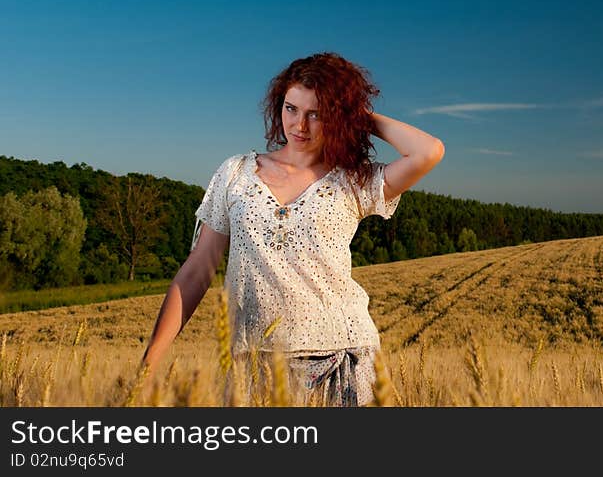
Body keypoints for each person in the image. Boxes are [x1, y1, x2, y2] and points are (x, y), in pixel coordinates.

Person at [141, 52, 444, 406]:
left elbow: (428, 152)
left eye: (316, 114)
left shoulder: (354, 180)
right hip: (254, 363)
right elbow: (196, 272)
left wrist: (358, 116)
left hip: (344, 362)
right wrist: (147, 367)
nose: (300, 125)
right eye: (291, 109)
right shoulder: (235, 174)